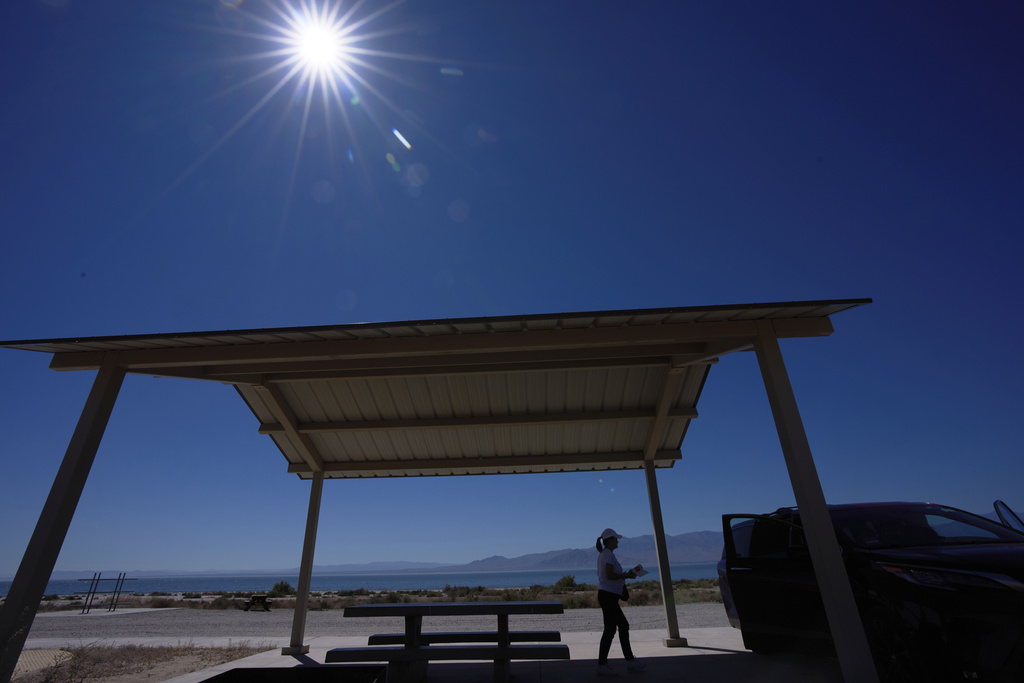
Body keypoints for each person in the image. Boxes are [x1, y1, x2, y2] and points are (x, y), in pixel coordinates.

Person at [595, 528, 645, 676]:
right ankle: (624, 662)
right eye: (615, 539)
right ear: (609, 540)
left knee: (612, 629)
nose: (617, 541)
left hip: (608, 596)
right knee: (619, 626)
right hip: (608, 597)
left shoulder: (606, 554)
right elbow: (610, 575)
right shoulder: (608, 555)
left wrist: (625, 576)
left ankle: (607, 663)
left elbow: (610, 575)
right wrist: (626, 575)